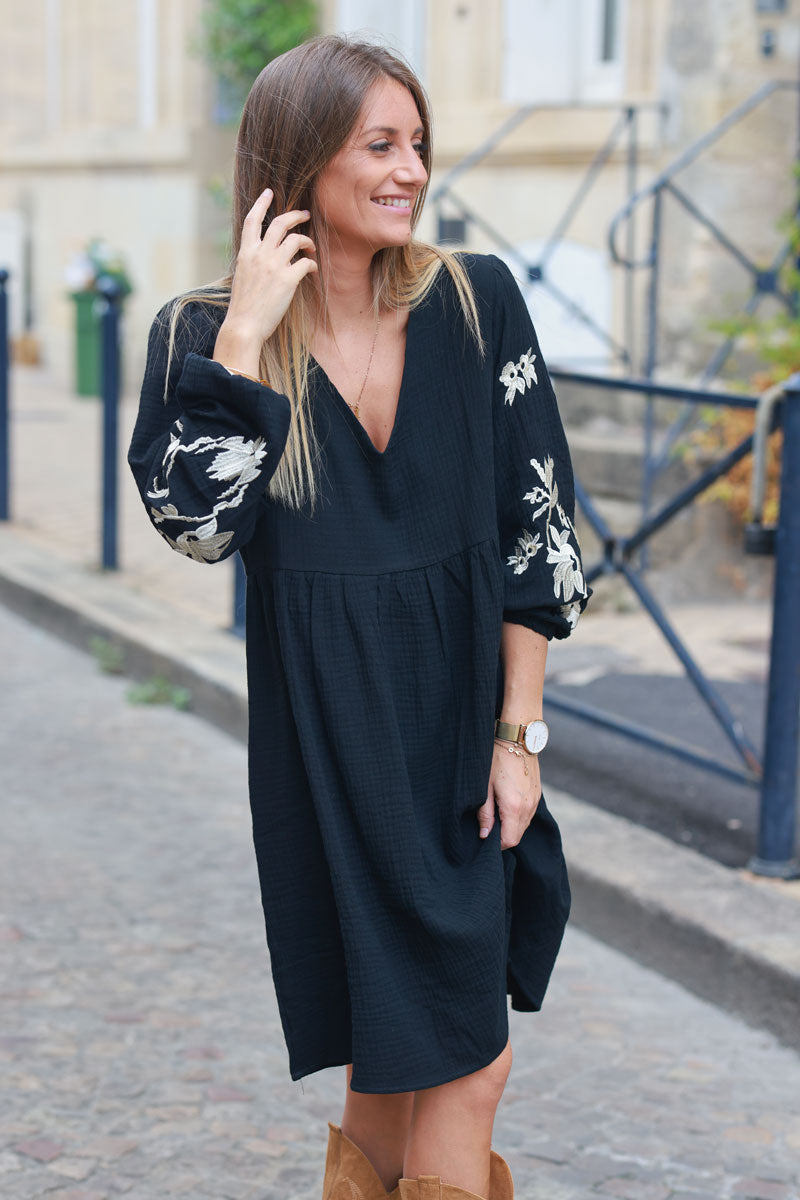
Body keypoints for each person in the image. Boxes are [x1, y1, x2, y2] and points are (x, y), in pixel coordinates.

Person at [128, 32, 590, 1200]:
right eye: (377, 143)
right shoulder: (200, 335)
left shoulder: (476, 304)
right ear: (299, 163)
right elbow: (196, 525)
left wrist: (516, 734)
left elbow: (537, 533)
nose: (409, 170)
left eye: (417, 143)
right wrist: (243, 341)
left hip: (461, 744)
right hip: (331, 751)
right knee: (390, 1069)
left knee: (462, 1062)